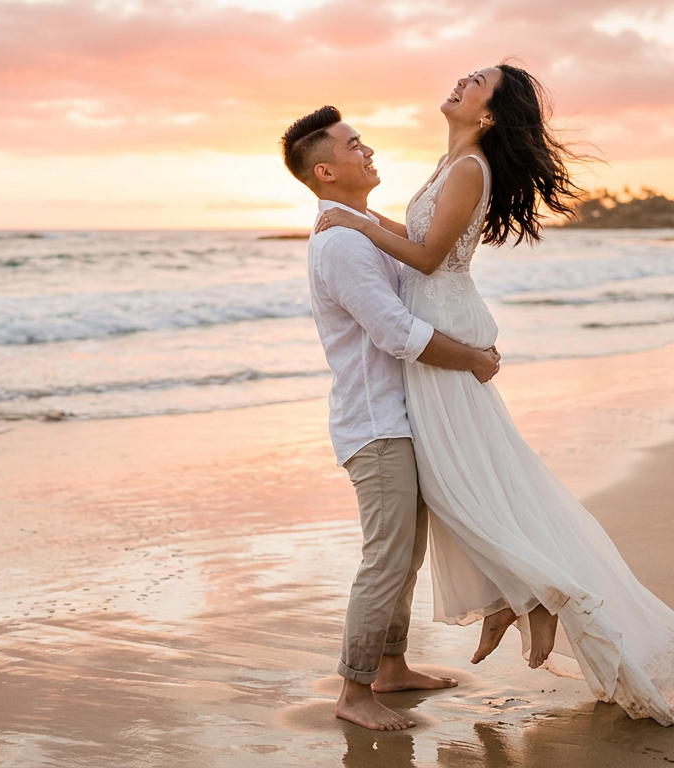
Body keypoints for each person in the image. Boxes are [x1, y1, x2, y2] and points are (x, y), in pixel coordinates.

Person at [313, 64, 674, 726]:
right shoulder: (454, 160)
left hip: (441, 333)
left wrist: (357, 224)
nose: (457, 80)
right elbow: (420, 239)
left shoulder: (469, 166)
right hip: (438, 336)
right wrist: (359, 218)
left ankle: (531, 594)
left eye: (474, 81)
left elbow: (422, 260)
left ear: (488, 114)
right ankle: (520, 597)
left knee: (467, 487)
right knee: (468, 485)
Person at [278, 106, 502, 731]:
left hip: (402, 418)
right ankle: (353, 691)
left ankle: (391, 666)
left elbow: (418, 275)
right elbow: (397, 332)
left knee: (403, 556)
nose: (367, 150)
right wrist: (474, 361)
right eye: (354, 145)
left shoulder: (356, 229)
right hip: (375, 427)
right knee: (387, 556)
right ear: (324, 169)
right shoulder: (342, 245)